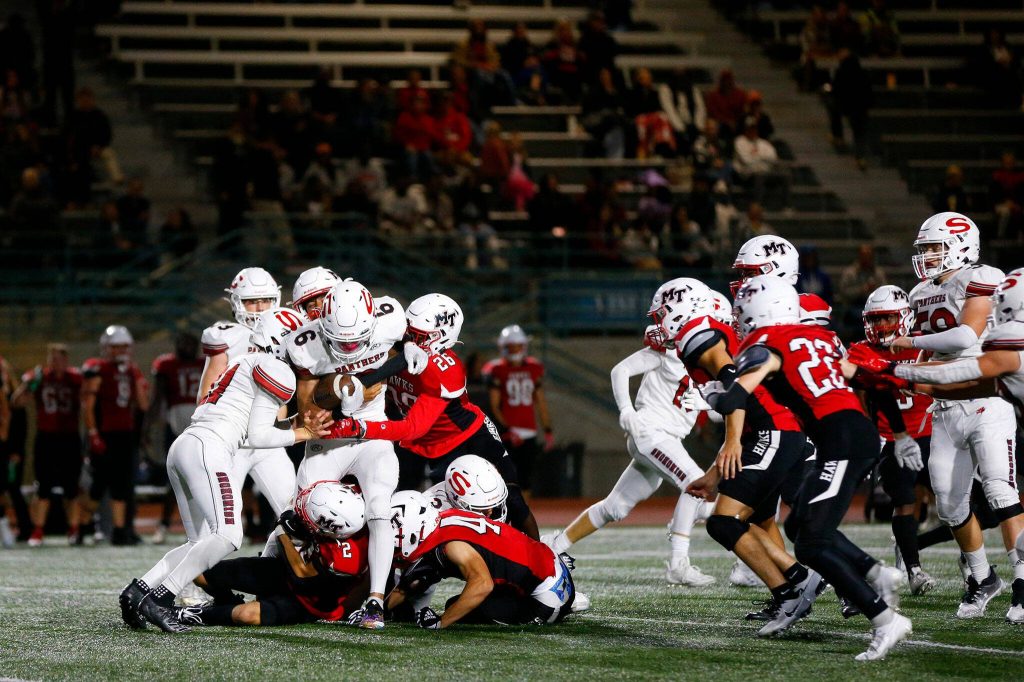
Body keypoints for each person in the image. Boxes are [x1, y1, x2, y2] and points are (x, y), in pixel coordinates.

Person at [702, 276, 910, 661]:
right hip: (846, 434)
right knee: (799, 526)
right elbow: (854, 375)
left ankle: (884, 618)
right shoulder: (821, 337)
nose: (739, 314)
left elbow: (736, 394)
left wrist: (716, 396)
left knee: (812, 541)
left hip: (841, 440)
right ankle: (876, 572)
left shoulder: (764, 345)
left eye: (744, 306)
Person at [119, 310, 335, 634]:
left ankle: (137, 591)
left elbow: (252, 427)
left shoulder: (242, 360)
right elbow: (261, 437)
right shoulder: (275, 368)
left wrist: (296, 426)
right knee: (229, 535)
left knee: (199, 543)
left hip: (185, 445)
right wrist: (304, 433)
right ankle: (160, 598)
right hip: (210, 449)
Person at [862, 212, 1022, 621]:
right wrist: (906, 372)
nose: (928, 255)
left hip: (986, 396)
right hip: (946, 406)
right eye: (925, 249)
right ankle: (982, 578)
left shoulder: (981, 276)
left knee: (1001, 492)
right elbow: (932, 353)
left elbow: (966, 335)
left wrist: (905, 345)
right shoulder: (918, 294)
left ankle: (1022, 580)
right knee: (950, 507)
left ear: (962, 244)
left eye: (935, 247)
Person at [327, 293, 540, 542]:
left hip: (466, 437)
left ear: (441, 337)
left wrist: (359, 428)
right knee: (415, 512)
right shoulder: (391, 346)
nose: (407, 339)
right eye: (407, 331)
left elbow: (412, 427)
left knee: (510, 496)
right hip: (421, 446)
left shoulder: (444, 368)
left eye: (417, 336)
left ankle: (543, 556)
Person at [545, 279, 717, 586]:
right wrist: (626, 409)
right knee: (696, 484)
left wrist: (707, 404)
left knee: (616, 506)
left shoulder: (709, 357)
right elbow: (620, 370)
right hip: (652, 432)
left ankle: (554, 545)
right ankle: (678, 563)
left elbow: (721, 411)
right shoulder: (670, 349)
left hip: (666, 438)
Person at [288, 280, 427, 630]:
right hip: (331, 437)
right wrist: (330, 402)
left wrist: (410, 346)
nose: (349, 347)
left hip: (371, 432)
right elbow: (307, 408)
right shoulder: (306, 342)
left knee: (380, 507)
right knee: (302, 506)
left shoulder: (390, 316)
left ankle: (375, 600)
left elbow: (403, 348)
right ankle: (275, 575)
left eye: (356, 339)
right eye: (341, 341)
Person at [177, 481, 370, 627]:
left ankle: (194, 615)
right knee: (199, 572)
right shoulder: (350, 505)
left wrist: (282, 531)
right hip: (282, 571)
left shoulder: (347, 557)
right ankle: (227, 602)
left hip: (307, 602)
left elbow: (302, 574)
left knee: (246, 615)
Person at [198, 268, 297, 548]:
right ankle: (196, 582)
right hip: (236, 440)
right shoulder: (227, 336)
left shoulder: (287, 332)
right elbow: (207, 393)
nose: (260, 308)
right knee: (220, 518)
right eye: (253, 301)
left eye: (265, 300)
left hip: (269, 441)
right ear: (236, 303)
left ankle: (295, 581)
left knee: (295, 509)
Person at [848, 286, 937, 594]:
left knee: (974, 508)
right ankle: (913, 568)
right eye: (875, 319)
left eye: (887, 318)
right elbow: (858, 392)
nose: (881, 326)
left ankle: (917, 542)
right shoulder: (860, 350)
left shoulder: (924, 345)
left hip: (934, 435)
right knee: (904, 501)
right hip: (891, 439)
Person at [387, 499, 574, 628]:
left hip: (548, 595)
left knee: (459, 609)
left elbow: (482, 585)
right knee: (453, 601)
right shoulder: (446, 518)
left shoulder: (452, 547)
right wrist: (378, 611)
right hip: (547, 564)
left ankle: (565, 606)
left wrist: (441, 623)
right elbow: (413, 580)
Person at [79, 325, 149, 546]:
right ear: (106, 348)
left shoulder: (130, 370)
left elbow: (143, 404)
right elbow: (87, 406)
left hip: (124, 434)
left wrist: (136, 377)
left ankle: (119, 531)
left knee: (122, 485)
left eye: (124, 346)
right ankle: (82, 527)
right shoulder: (97, 368)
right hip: (104, 434)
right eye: (116, 346)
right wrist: (92, 434)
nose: (121, 351)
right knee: (98, 487)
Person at [11, 344, 81, 546]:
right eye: (52, 359)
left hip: (69, 437)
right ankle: (38, 531)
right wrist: (29, 384)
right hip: (46, 437)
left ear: (66, 360)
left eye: (59, 359)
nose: (55, 363)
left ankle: (74, 530)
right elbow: (17, 402)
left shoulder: (75, 378)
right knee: (43, 487)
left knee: (71, 489)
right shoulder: (39, 377)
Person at [146, 332, 204, 545]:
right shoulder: (166, 365)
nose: (186, 347)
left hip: (204, 427)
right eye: (182, 342)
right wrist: (147, 428)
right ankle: (163, 525)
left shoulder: (207, 362)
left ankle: (211, 526)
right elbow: (156, 399)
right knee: (175, 480)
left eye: (190, 342)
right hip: (177, 427)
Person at [482, 326, 552, 494]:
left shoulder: (533, 367)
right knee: (504, 479)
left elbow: (540, 402)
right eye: (510, 346)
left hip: (529, 432)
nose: (514, 350)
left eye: (517, 346)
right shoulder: (496, 369)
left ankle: (522, 518)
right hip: (506, 433)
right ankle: (505, 517)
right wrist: (507, 429)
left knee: (526, 481)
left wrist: (548, 429)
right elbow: (494, 406)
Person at [828, 48, 873, 171]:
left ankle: (838, 137)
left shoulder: (841, 72)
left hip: (847, 105)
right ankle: (860, 157)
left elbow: (836, 89)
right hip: (860, 107)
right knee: (859, 134)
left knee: (834, 110)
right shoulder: (862, 72)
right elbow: (869, 91)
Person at [733, 117, 788, 208]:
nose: (752, 131)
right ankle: (757, 206)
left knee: (786, 174)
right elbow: (746, 161)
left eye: (754, 129)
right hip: (746, 175)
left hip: (766, 172)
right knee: (759, 176)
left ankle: (787, 206)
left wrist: (756, 158)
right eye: (750, 128)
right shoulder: (740, 141)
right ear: (746, 129)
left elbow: (773, 159)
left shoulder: (763, 143)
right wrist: (762, 159)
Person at [838, 244, 886, 326]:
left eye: (869, 256)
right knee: (858, 316)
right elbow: (844, 292)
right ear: (859, 256)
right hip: (854, 306)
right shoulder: (849, 273)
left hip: (875, 307)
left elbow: (885, 291)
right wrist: (862, 289)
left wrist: (874, 291)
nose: (867, 259)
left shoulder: (879, 273)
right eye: (864, 256)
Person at [990, 150, 1024, 240]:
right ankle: (1000, 235)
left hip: (1017, 204)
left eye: (1010, 162)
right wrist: (1005, 202)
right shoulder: (997, 176)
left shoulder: (1020, 176)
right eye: (1006, 162)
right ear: (1002, 162)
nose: (1008, 164)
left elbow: (1021, 193)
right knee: (1005, 212)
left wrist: (1016, 204)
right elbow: (994, 194)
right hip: (1000, 204)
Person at [704, 69, 747, 139]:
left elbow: (742, 112)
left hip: (737, 124)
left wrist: (735, 121)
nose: (726, 82)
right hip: (720, 124)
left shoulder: (741, 94)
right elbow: (712, 113)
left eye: (728, 79)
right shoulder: (713, 96)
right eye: (724, 80)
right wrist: (726, 121)